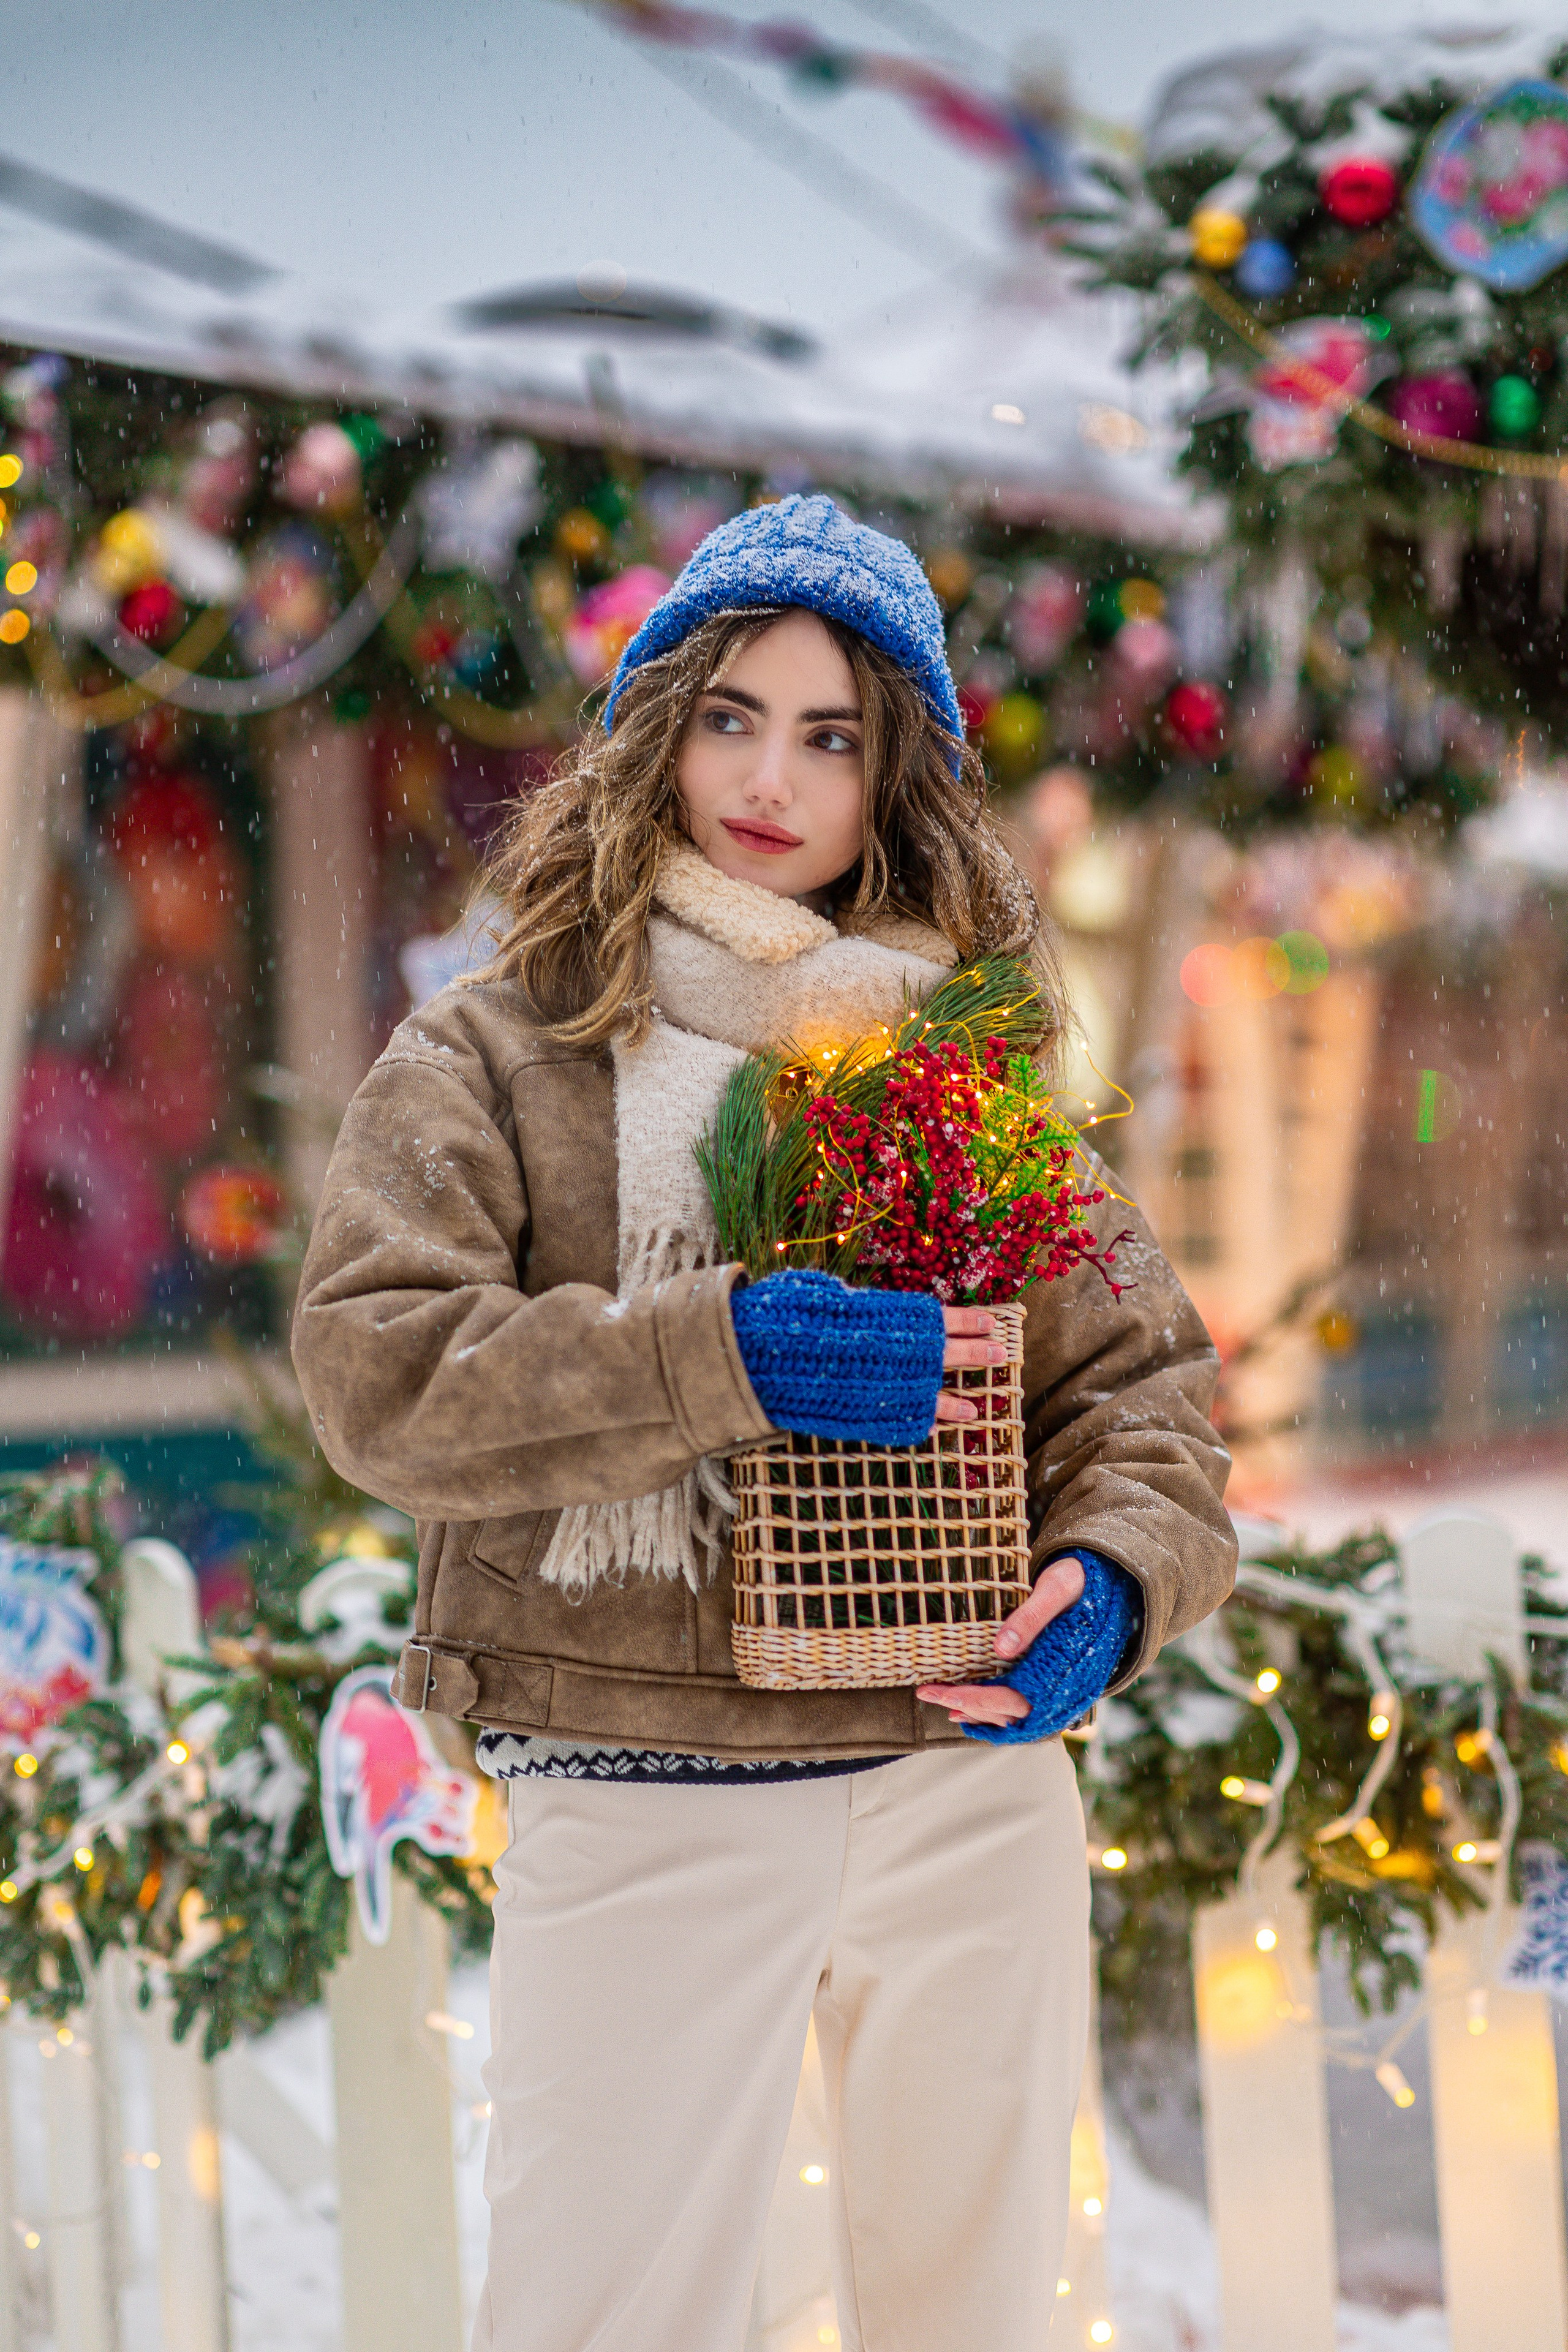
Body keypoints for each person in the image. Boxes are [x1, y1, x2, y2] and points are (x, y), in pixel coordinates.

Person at [293, 494, 1236, 2352]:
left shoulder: (964, 1073)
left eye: (832, 735)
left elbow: (1145, 1391)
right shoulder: (501, 1052)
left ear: (898, 781)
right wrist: (710, 1352)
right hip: (642, 1778)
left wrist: (1117, 1584)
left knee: (979, 2318)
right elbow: (380, 1372)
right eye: (731, 713)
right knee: (602, 2316)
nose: (771, 778)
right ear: (655, 728)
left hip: (962, 1778)